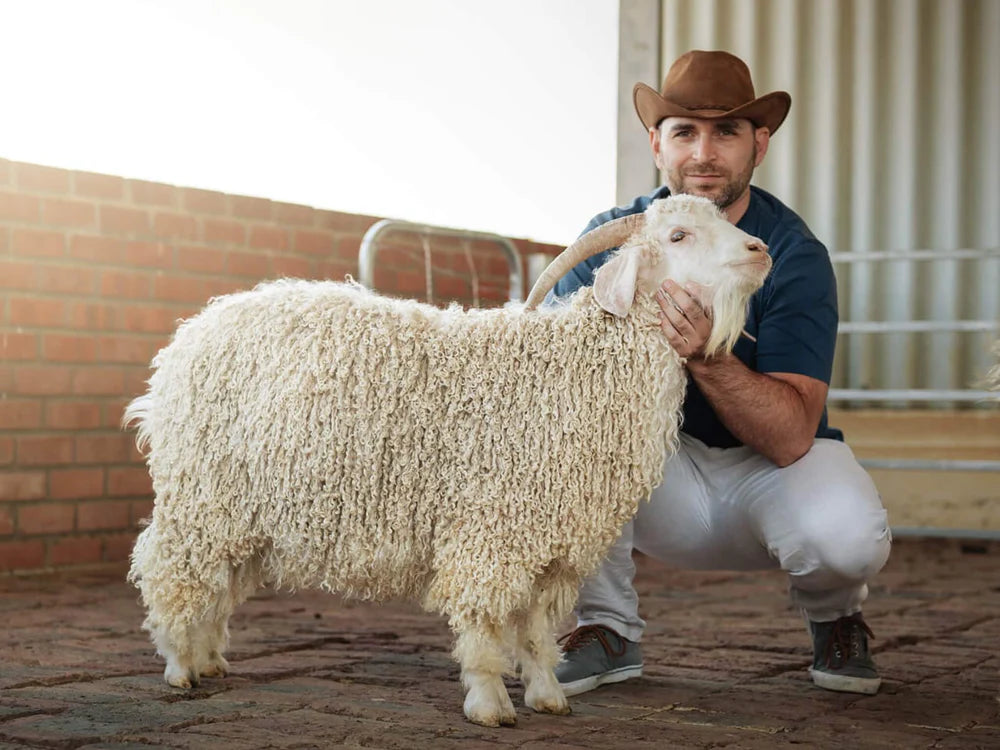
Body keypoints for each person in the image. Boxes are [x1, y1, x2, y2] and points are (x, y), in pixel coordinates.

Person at [549, 50, 892, 697]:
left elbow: (791, 435)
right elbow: (555, 387)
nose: (703, 153)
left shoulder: (789, 252)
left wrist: (708, 354)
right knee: (568, 443)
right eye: (684, 131)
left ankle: (836, 616)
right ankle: (606, 627)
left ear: (759, 144)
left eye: (726, 132)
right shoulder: (615, 238)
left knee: (847, 538)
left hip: (771, 470)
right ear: (657, 143)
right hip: (661, 475)